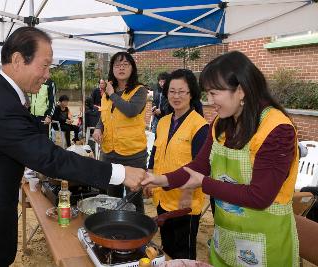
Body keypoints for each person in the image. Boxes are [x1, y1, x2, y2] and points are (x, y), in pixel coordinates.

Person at [0, 27, 146, 267]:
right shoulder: (1, 104)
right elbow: (51, 159)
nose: (48, 75)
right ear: (17, 60)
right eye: (44, 65)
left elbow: (20, 137)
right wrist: (119, 173)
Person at [142, 51, 300, 266]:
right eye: (207, 93)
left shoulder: (277, 129)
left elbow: (260, 196)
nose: (209, 101)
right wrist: (161, 180)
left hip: (264, 243)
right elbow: (199, 165)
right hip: (227, 236)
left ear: (241, 90)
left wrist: (204, 183)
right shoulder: (222, 122)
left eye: (214, 93)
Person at [146, 69, 208, 259]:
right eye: (172, 91)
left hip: (184, 202)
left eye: (182, 91)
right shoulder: (163, 121)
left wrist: (188, 193)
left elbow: (201, 166)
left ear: (191, 94)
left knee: (183, 254)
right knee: (167, 249)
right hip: (162, 197)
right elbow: (155, 152)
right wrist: (149, 176)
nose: (176, 96)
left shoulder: (200, 126)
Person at [92, 52, 148, 213]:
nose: (121, 68)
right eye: (117, 65)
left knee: (134, 198)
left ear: (132, 68)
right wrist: (98, 127)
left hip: (133, 154)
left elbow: (130, 111)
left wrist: (112, 94)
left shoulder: (139, 90)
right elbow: (105, 114)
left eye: (125, 64)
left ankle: (138, 234)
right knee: (112, 198)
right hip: (109, 152)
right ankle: (115, 230)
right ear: (112, 69)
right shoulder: (109, 91)